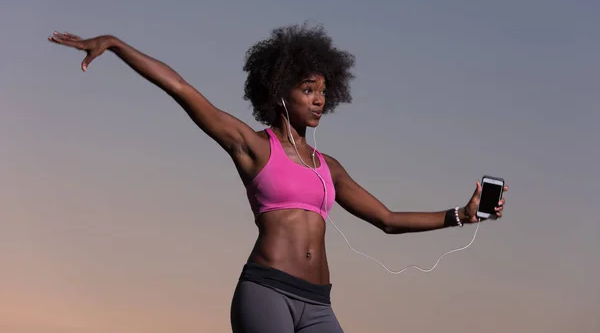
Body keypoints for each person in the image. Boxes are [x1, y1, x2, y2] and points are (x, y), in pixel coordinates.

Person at [48, 23, 507, 333]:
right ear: (278, 91)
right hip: (266, 292)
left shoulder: (330, 168)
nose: (319, 100)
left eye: (323, 91)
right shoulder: (253, 146)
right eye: (308, 90)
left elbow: (386, 219)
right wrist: (116, 44)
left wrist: (461, 215)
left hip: (319, 304)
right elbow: (182, 89)